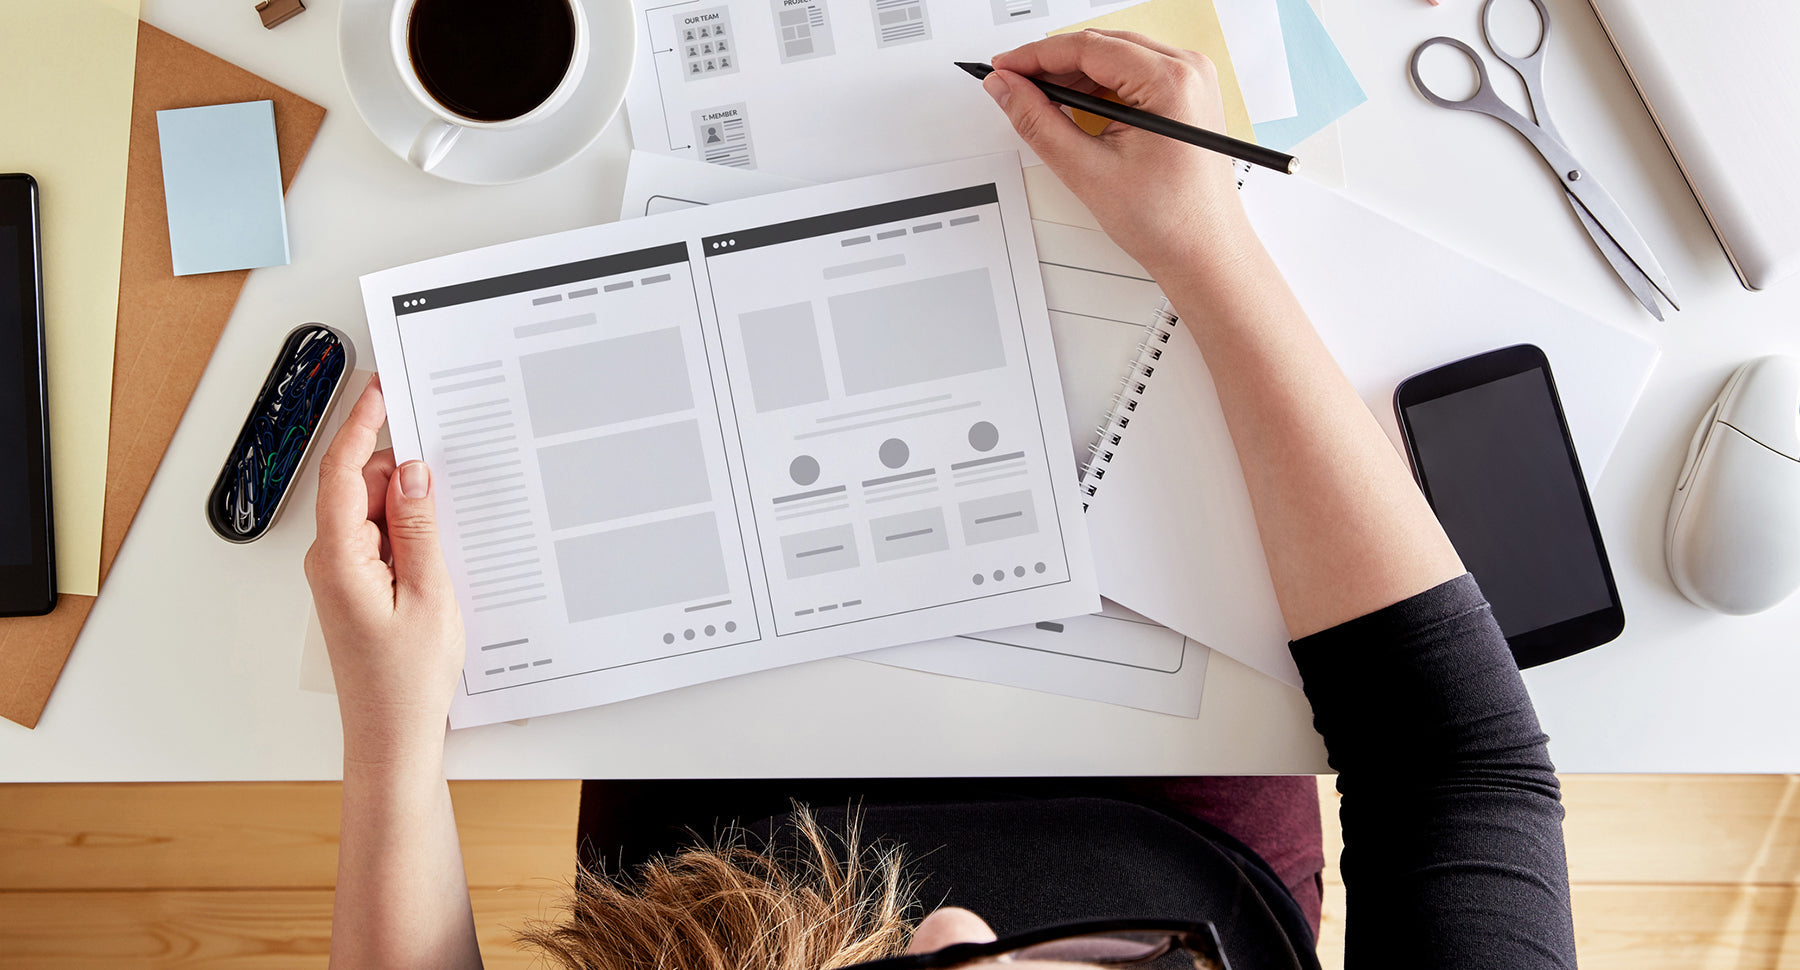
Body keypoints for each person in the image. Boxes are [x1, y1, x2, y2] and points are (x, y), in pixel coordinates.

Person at [304, 29, 1578, 970]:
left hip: (707, 822)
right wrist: (1204, 240)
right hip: (1165, 804)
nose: (958, 918)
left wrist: (391, 737)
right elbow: (1457, 767)